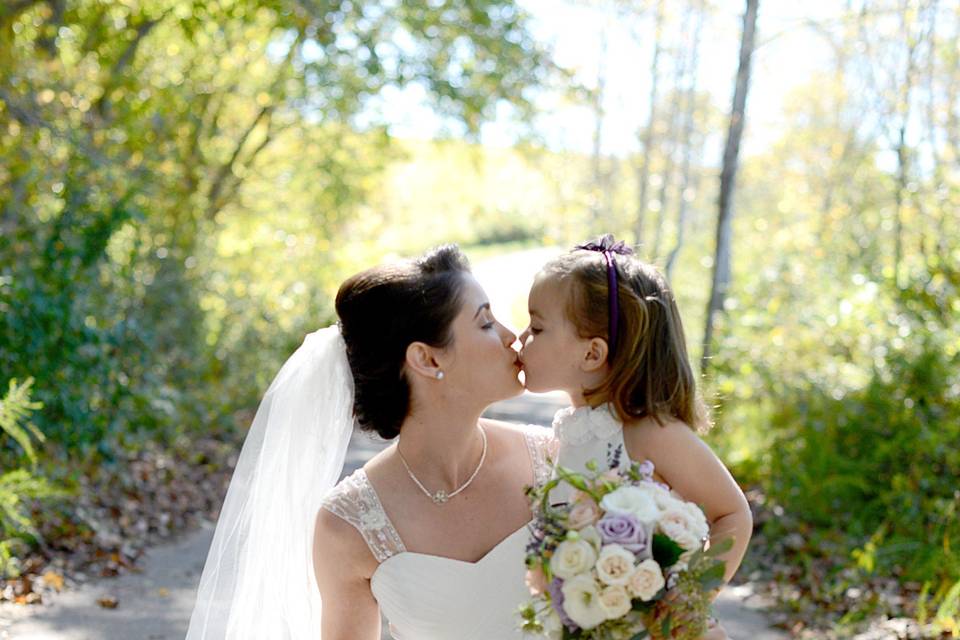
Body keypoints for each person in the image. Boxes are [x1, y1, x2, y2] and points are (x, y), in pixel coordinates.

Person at [186, 244, 556, 639]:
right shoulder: (349, 524)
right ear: (428, 360)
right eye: (485, 323)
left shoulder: (554, 458)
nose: (510, 336)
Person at [517, 235, 753, 636]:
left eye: (537, 327)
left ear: (592, 354)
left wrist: (687, 599)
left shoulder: (648, 432)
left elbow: (732, 514)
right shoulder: (570, 434)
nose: (521, 338)